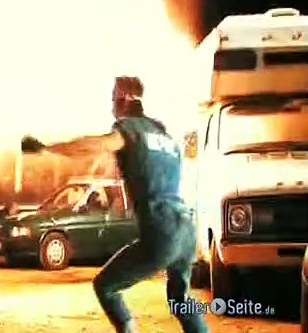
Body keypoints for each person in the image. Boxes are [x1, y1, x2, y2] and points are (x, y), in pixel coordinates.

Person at [21, 76, 209, 333]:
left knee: (106, 286)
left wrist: (47, 149)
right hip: (186, 229)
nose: (112, 104)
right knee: (181, 299)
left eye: (113, 97)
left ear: (125, 98)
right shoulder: (165, 137)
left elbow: (94, 145)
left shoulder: (129, 130)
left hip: (162, 230)